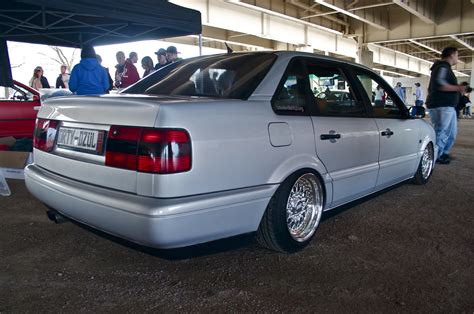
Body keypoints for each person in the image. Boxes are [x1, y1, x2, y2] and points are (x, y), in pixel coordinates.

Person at [425, 47, 467, 164]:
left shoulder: (444, 68)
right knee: (442, 132)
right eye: (457, 55)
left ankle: (443, 153)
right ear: (452, 55)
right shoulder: (442, 67)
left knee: (451, 133)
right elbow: (440, 83)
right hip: (442, 105)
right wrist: (459, 88)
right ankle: (435, 157)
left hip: (447, 105)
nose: (457, 58)